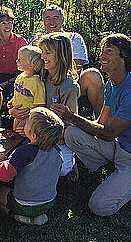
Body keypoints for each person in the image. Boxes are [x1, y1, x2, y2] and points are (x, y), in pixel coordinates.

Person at [51, 34, 131, 217]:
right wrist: (68, 126)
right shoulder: (112, 83)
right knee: (72, 134)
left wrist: (71, 116)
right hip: (119, 146)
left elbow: (108, 133)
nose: (102, 55)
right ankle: (116, 171)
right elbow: (101, 124)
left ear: (124, 57)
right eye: (103, 50)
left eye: (109, 51)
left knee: (99, 207)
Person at [0, 107, 64, 226]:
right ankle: (37, 215)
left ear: (33, 135)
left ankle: (18, 216)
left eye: (28, 121)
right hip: (48, 202)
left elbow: (6, 175)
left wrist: (0, 160)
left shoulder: (24, 152)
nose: (25, 121)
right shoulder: (57, 151)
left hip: (24, 204)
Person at [34, 5, 105, 118]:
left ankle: (101, 123)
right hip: (45, 79)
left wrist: (62, 79)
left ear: (63, 19)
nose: (51, 22)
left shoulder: (74, 37)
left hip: (69, 78)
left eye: (55, 17)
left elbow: (77, 65)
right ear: (43, 21)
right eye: (47, 18)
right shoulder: (38, 40)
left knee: (93, 75)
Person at [37, 33, 78, 177]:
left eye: (47, 53)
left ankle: (72, 162)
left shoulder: (69, 86)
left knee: (59, 170)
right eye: (42, 52)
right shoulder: (40, 77)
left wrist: (57, 135)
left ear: (61, 55)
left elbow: (71, 122)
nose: (43, 57)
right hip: (38, 133)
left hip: (58, 139)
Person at [0, 6, 28, 101]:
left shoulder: (20, 41)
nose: (8, 27)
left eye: (10, 23)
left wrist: (8, 82)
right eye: (3, 23)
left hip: (15, 78)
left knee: (12, 91)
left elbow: (27, 68)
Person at [8, 46, 46, 137]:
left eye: (20, 60)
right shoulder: (20, 77)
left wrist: (29, 120)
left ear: (31, 65)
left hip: (28, 119)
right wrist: (12, 101)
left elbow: (40, 106)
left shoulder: (37, 83)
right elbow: (19, 93)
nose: (17, 61)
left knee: (23, 138)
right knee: (15, 137)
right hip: (17, 116)